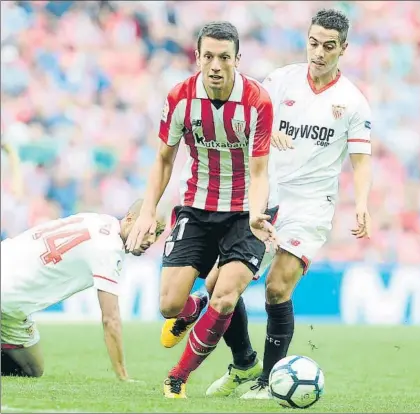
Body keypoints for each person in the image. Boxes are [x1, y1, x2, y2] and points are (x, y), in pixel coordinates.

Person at [203, 8, 373, 398]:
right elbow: (245, 113)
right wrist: (271, 127)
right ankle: (244, 364)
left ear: (343, 48)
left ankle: (268, 380)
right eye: (314, 43)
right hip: (269, 198)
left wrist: (362, 202)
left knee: (277, 287)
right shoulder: (280, 81)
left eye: (329, 47)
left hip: (312, 207)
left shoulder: (353, 102)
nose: (319, 53)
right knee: (217, 286)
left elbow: (361, 161)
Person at [125, 21, 278, 398]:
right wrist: (147, 212)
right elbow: (163, 159)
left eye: (224, 57)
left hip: (246, 210)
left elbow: (259, 172)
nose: (215, 65)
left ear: (237, 59)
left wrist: (258, 214)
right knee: (168, 305)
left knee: (226, 294)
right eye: (208, 56)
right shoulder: (180, 97)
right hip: (197, 205)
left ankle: (177, 377)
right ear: (197, 56)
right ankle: (194, 306)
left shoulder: (257, 100)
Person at [1, 199, 164, 379]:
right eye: (148, 231)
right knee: (31, 370)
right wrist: (123, 375)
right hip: (10, 297)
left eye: (157, 233)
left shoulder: (99, 220)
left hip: (6, 257)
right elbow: (111, 319)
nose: (151, 240)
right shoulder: (110, 249)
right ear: (130, 218)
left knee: (33, 369)